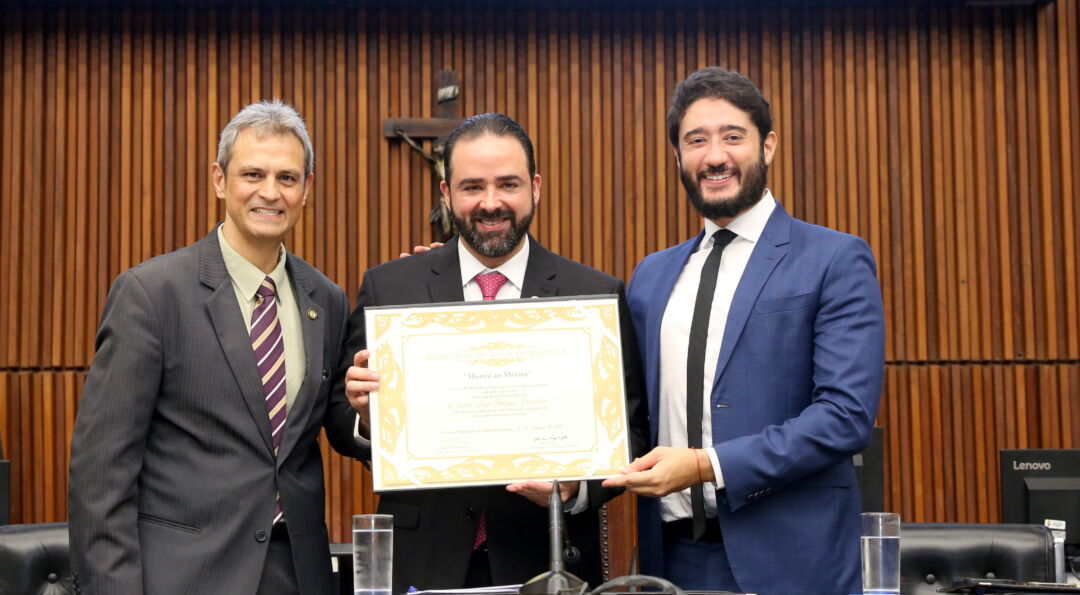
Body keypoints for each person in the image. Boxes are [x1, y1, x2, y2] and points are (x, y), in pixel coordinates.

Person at [336, 113, 650, 593]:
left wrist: (575, 489)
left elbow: (632, 428)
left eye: (508, 184)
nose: (490, 203)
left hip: (544, 558)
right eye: (471, 187)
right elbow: (340, 417)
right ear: (446, 195)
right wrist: (366, 415)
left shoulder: (591, 295)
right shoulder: (392, 287)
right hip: (421, 561)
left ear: (535, 187)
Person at [602, 67, 886, 595]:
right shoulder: (651, 276)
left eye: (733, 136)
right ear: (678, 157)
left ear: (769, 145)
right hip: (670, 562)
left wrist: (707, 465)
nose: (715, 156)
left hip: (793, 562)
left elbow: (846, 417)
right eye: (696, 140)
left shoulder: (833, 259)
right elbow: (625, 411)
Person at [68, 100, 366, 595]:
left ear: (307, 189)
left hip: (299, 574)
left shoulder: (327, 299)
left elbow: (334, 418)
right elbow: (101, 476)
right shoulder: (152, 294)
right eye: (253, 173)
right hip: (183, 577)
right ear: (219, 180)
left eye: (288, 178)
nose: (270, 192)